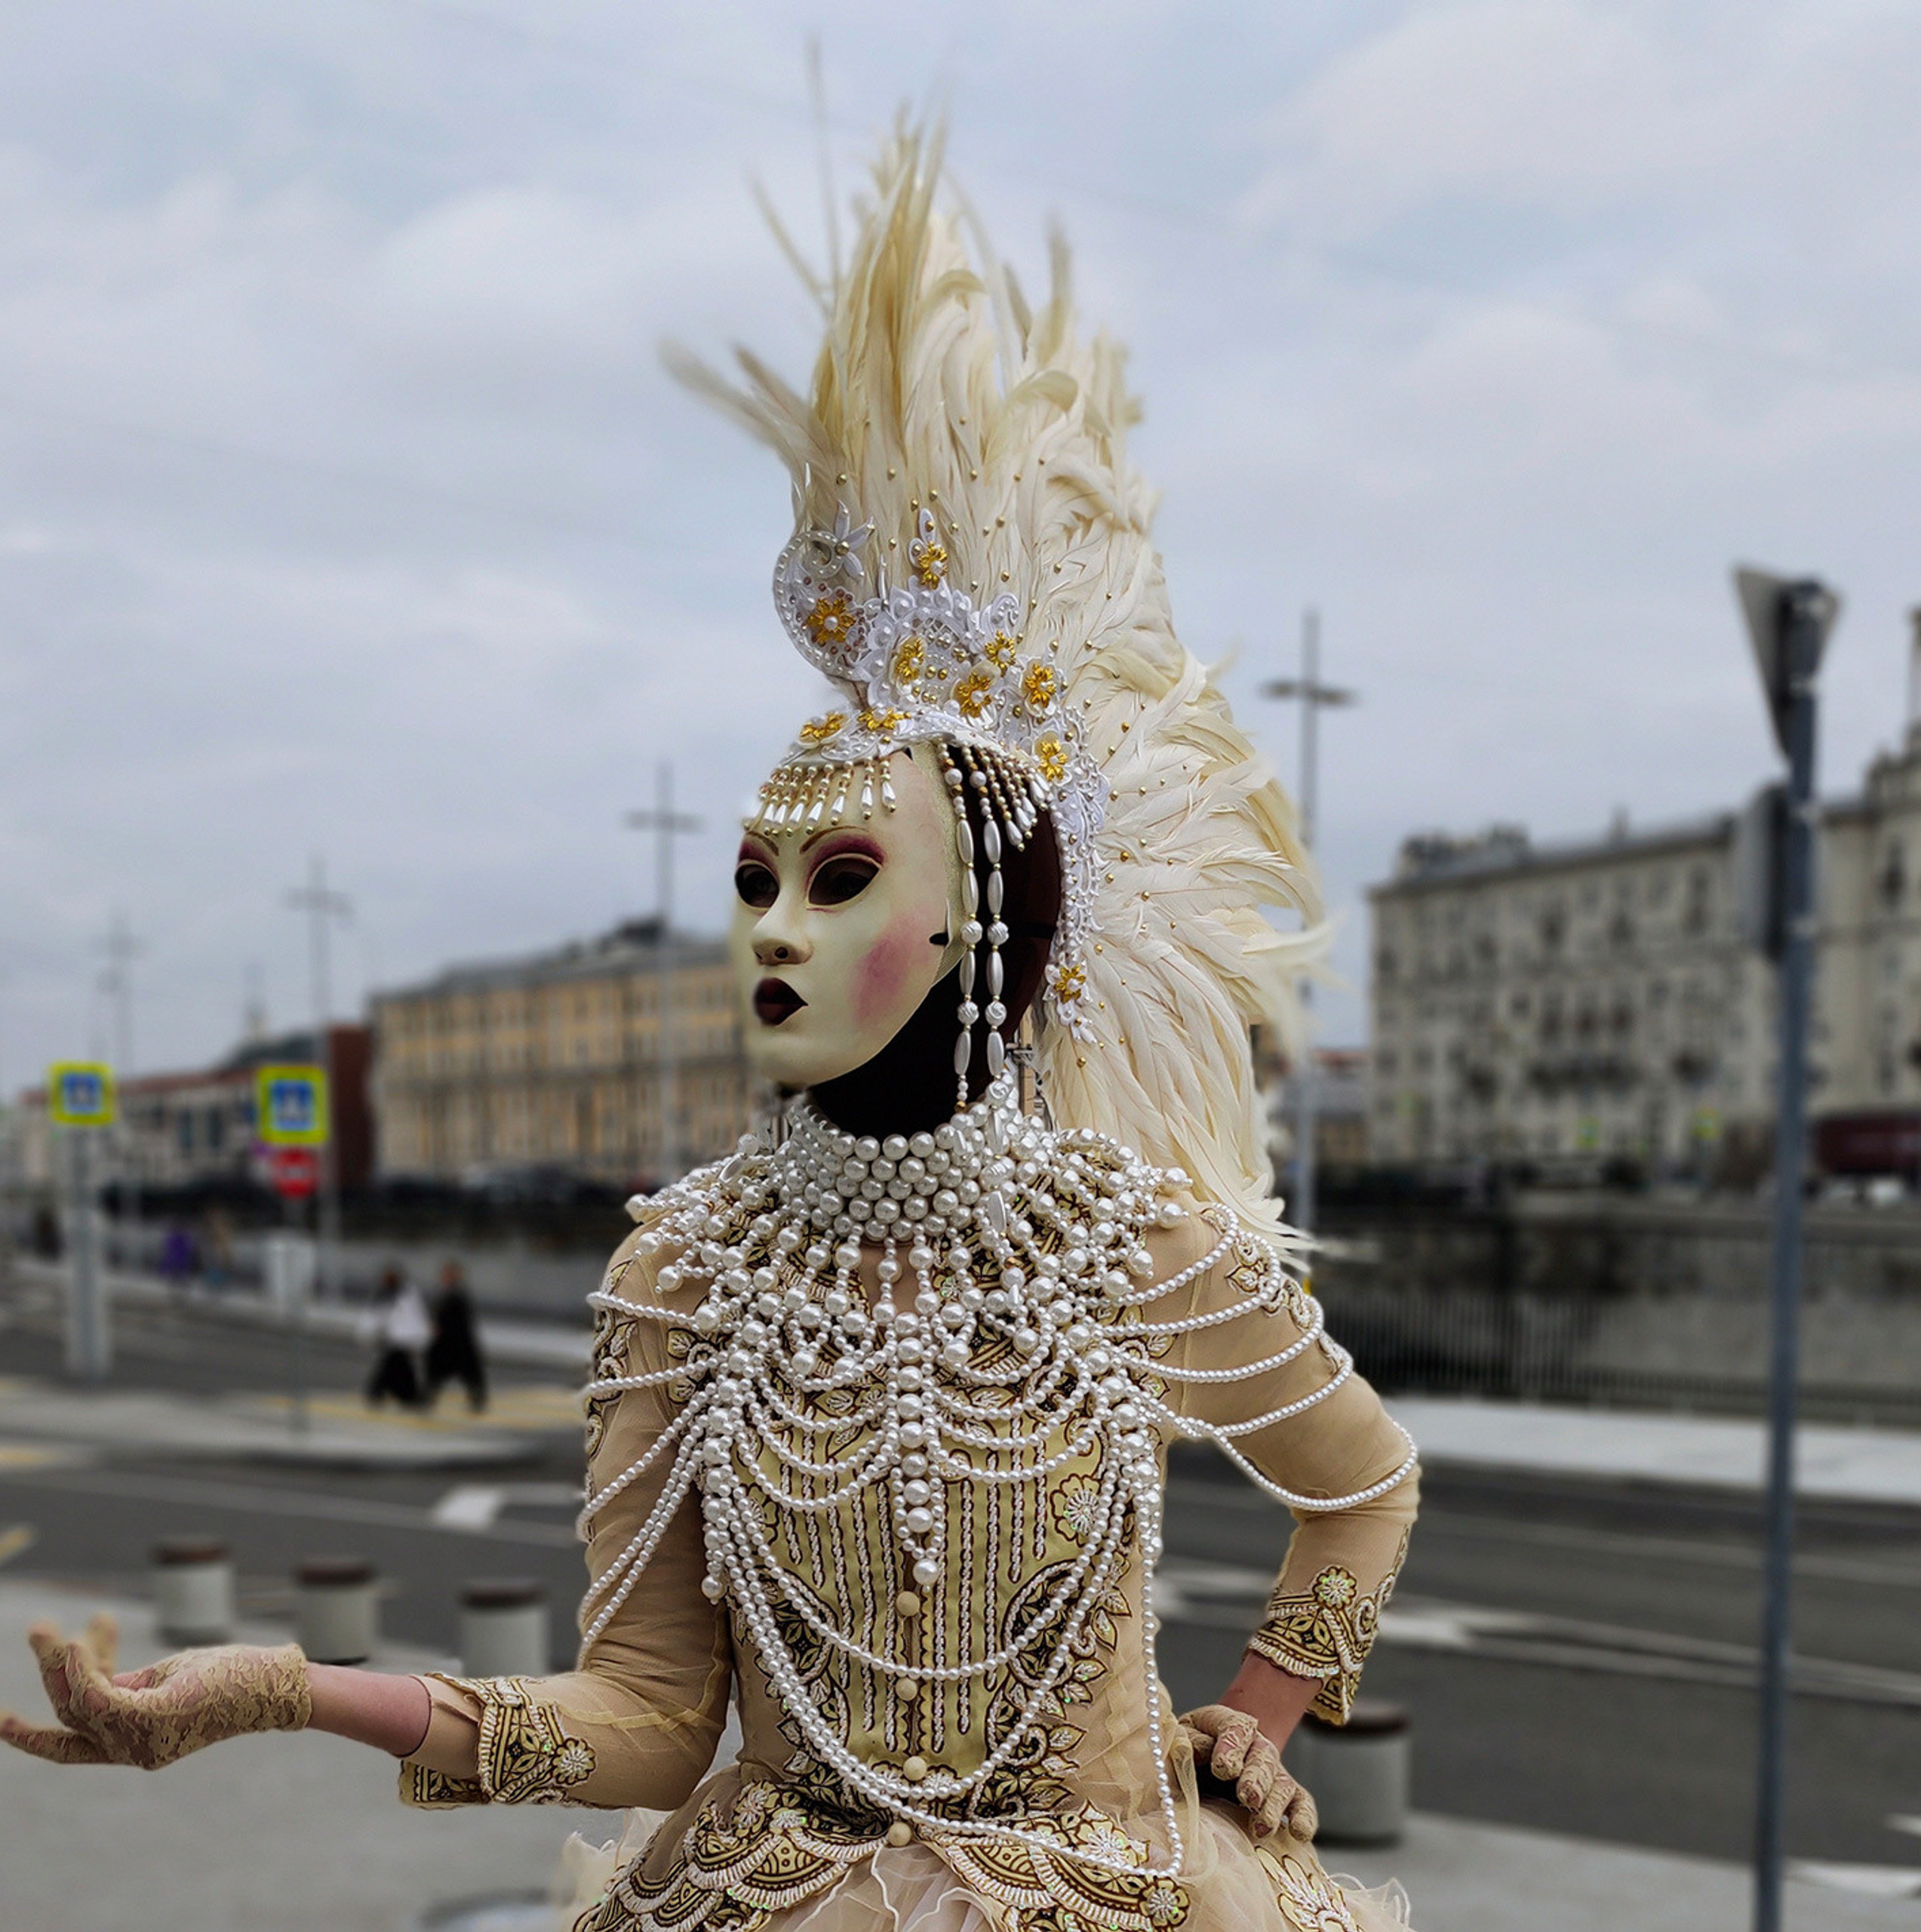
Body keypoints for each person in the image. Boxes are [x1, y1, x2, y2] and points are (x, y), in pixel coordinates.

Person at [0, 129, 1420, 1932]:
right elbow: (653, 1717)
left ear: (980, 923)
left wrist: (1261, 1708)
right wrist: (283, 1689)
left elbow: (1359, 1482)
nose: (771, 922)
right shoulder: (682, 1266)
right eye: (754, 876)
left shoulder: (1130, 1243)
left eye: (836, 877)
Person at [362, 1264, 429, 1411]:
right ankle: (406, 1396)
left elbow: (416, 1317)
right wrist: (369, 1334)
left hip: (404, 1339)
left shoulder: (407, 1294)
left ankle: (379, 1393)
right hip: (394, 1339)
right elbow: (376, 1318)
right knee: (399, 1368)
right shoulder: (384, 1295)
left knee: (392, 1368)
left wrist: (419, 1338)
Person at [425, 1258, 488, 1412]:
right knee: (436, 1372)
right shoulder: (445, 1293)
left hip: (457, 1342)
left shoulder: (458, 1295)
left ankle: (477, 1400)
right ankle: (429, 1397)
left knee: (468, 1374)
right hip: (447, 1342)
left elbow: (460, 1320)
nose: (445, 1277)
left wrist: (440, 1328)